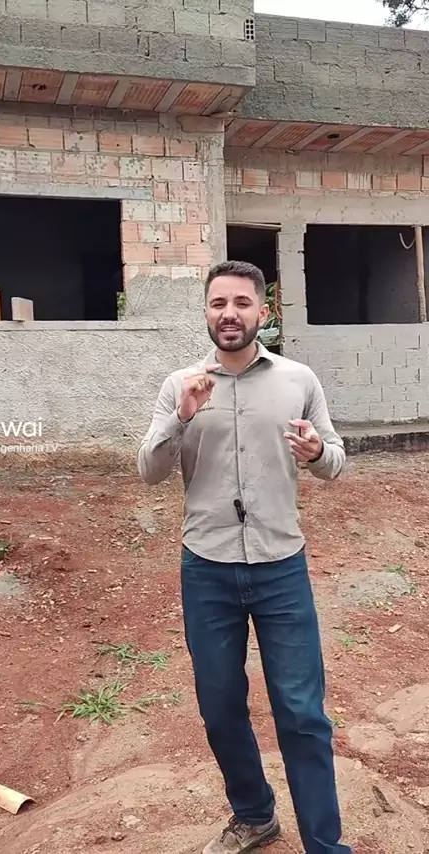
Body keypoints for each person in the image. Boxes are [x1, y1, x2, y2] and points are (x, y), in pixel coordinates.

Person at [137, 260, 352, 854]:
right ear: (206, 313)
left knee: (302, 712)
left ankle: (325, 845)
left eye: (241, 303)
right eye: (218, 304)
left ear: (264, 311)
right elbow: (148, 471)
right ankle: (255, 815)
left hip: (281, 566)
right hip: (207, 569)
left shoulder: (298, 379)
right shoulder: (179, 385)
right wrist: (181, 416)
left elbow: (335, 461)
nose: (229, 314)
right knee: (220, 705)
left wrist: (317, 452)